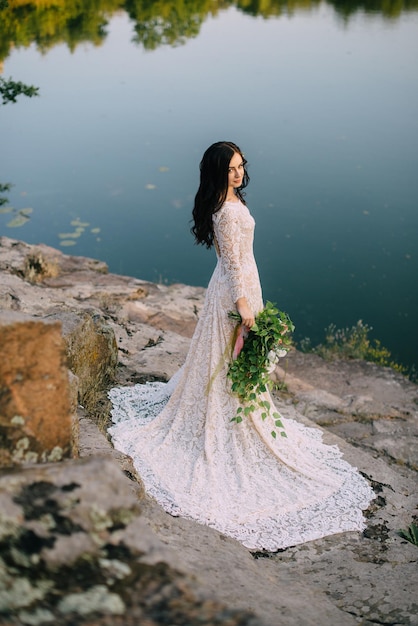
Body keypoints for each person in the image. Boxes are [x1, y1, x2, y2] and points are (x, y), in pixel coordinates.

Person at [108, 141, 374, 551]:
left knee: (235, 362)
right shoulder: (225, 210)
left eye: (241, 166)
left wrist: (248, 294)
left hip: (243, 284)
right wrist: (244, 307)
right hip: (236, 291)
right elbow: (231, 261)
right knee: (229, 358)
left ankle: (240, 407)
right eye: (232, 168)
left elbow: (236, 260)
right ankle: (227, 418)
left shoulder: (228, 201)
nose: (239, 173)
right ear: (217, 171)